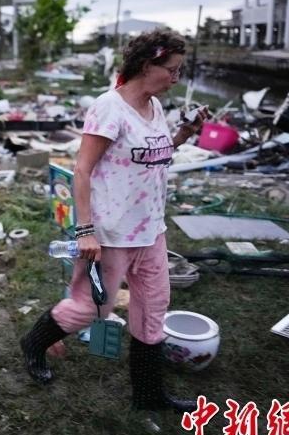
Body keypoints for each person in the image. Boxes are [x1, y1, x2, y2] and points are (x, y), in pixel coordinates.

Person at [19, 29, 208, 412]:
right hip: (110, 235)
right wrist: (85, 230)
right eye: (170, 70)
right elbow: (83, 169)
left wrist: (184, 134)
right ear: (146, 65)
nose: (176, 78)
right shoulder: (109, 107)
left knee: (153, 308)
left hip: (151, 230)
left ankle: (149, 395)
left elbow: (153, 153)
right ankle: (33, 344)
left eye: (178, 70)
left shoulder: (154, 107)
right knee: (91, 309)